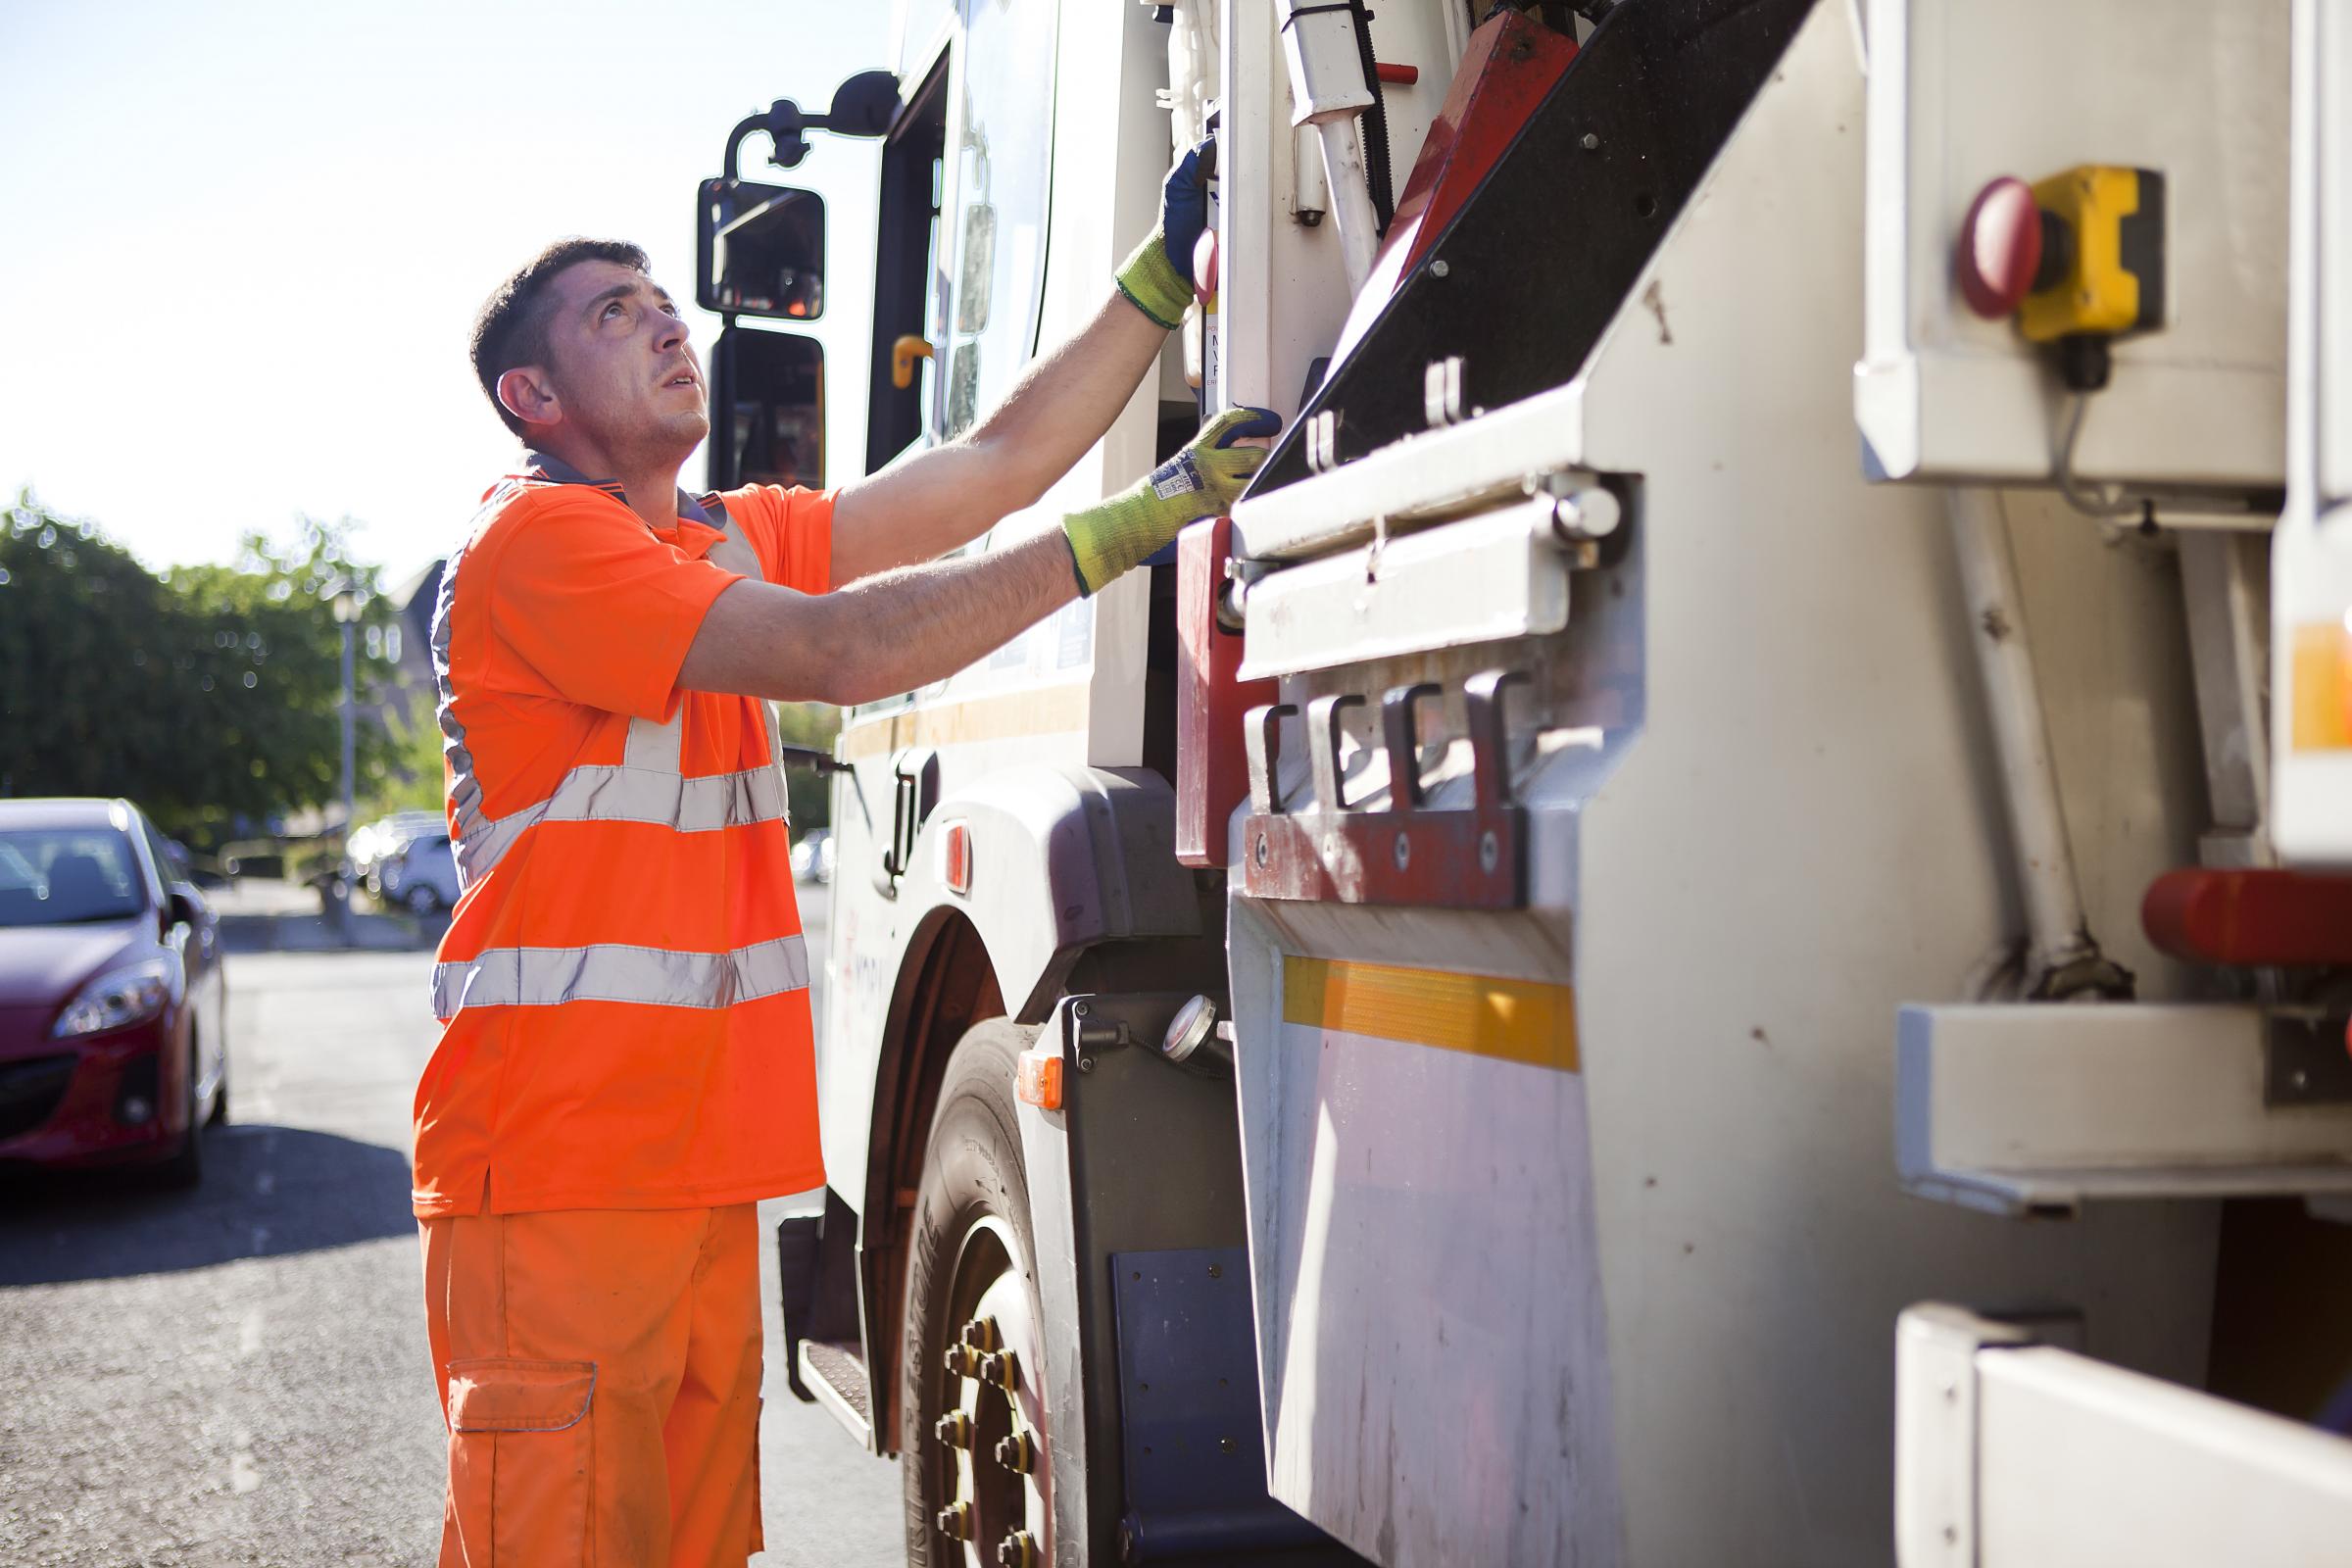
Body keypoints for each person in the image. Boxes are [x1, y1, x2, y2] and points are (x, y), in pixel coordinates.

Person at [413, 140, 1274, 1568]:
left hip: (681, 1169)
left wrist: (1157, 283)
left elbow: (990, 464)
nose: (668, 322)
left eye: (662, 299)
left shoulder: (710, 540)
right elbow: (845, 649)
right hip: (559, 1171)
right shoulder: (538, 545)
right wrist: (1139, 523)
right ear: (534, 398)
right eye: (613, 316)